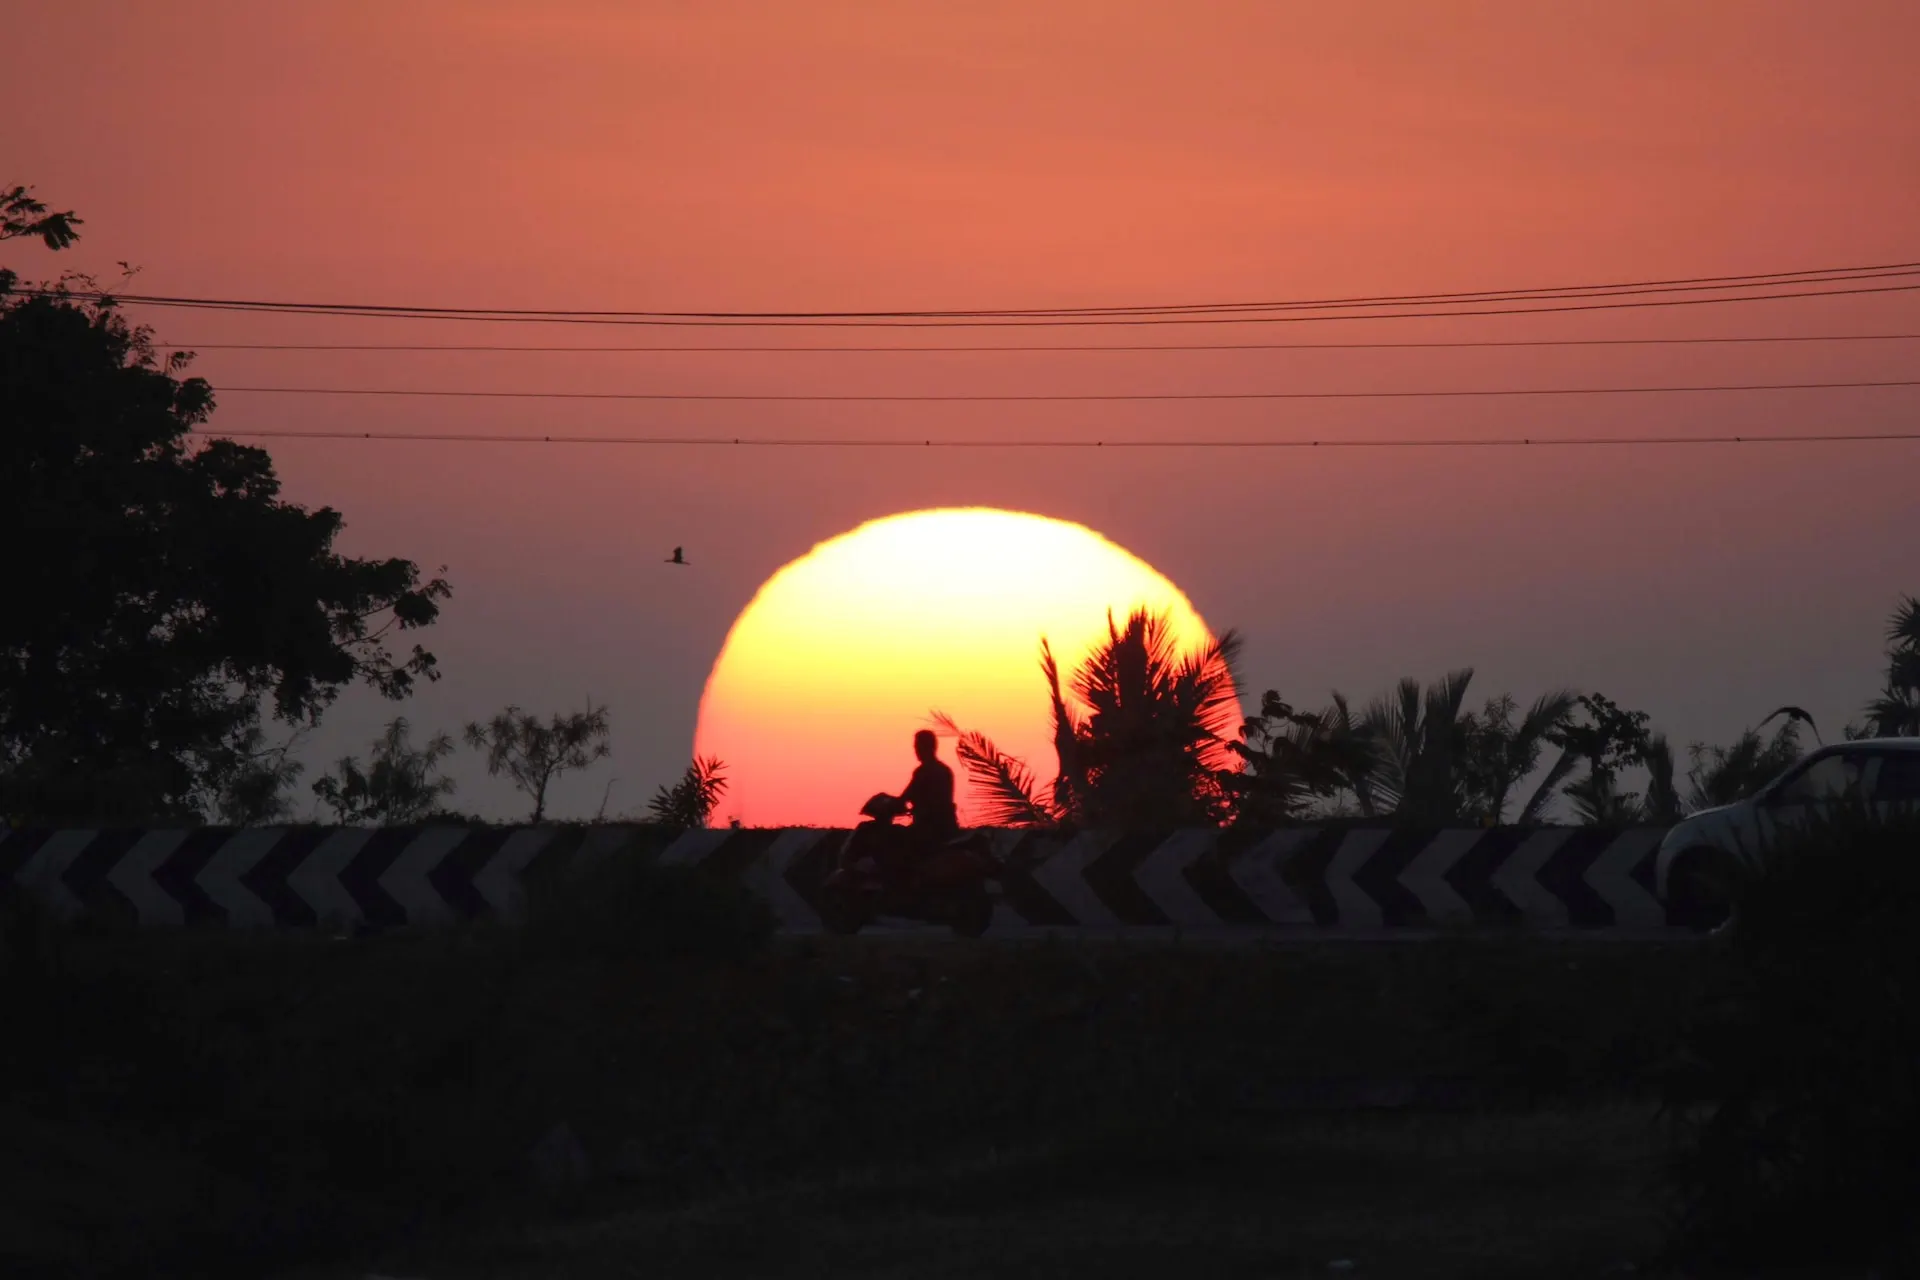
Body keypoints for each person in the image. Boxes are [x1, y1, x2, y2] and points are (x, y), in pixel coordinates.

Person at [895, 729, 958, 840]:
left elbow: (906, 796)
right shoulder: (944, 770)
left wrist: (893, 805)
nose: (916, 750)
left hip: (928, 829)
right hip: (945, 827)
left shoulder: (923, 772)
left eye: (918, 746)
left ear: (928, 747)